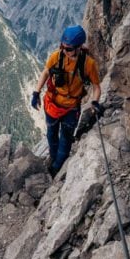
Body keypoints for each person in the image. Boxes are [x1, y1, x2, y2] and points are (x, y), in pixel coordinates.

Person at [30, 25, 102, 176]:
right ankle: (53, 157)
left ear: (79, 47)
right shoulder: (56, 56)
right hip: (52, 103)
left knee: (66, 140)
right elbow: (45, 72)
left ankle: (56, 167)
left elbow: (96, 86)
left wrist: (95, 102)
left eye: (69, 49)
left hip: (71, 108)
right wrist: (36, 92)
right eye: (63, 47)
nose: (65, 51)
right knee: (51, 135)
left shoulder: (88, 64)